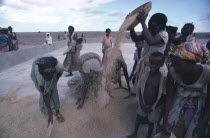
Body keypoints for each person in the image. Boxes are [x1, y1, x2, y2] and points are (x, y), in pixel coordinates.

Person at [162, 42, 210, 138]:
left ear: (192, 62)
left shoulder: (207, 73)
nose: (174, 67)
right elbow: (169, 98)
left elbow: (209, 102)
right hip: (177, 105)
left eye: (178, 64)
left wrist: (202, 125)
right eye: (173, 63)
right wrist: (165, 120)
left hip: (200, 108)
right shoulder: (173, 72)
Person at [127, 52, 166, 138]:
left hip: (154, 106)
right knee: (138, 119)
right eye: (152, 63)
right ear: (149, 62)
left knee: (151, 122)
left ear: (162, 64)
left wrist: (152, 108)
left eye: (157, 64)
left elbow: (162, 96)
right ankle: (135, 133)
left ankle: (148, 136)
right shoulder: (145, 75)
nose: (153, 66)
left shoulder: (162, 79)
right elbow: (139, 89)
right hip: (143, 103)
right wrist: (141, 103)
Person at [130, 11, 168, 96]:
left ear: (161, 26)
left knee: (153, 91)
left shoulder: (164, 34)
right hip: (145, 67)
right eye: (150, 26)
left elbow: (151, 41)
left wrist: (143, 23)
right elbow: (136, 39)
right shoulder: (148, 32)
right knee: (141, 89)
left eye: (154, 27)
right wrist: (131, 27)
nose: (151, 29)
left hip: (156, 68)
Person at [31, 56, 65, 125]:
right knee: (44, 93)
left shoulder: (59, 68)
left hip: (52, 67)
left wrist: (55, 81)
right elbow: (44, 94)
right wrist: (50, 112)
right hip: (37, 63)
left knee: (54, 91)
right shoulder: (39, 76)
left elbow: (59, 74)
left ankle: (57, 110)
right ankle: (44, 108)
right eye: (45, 76)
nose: (47, 78)